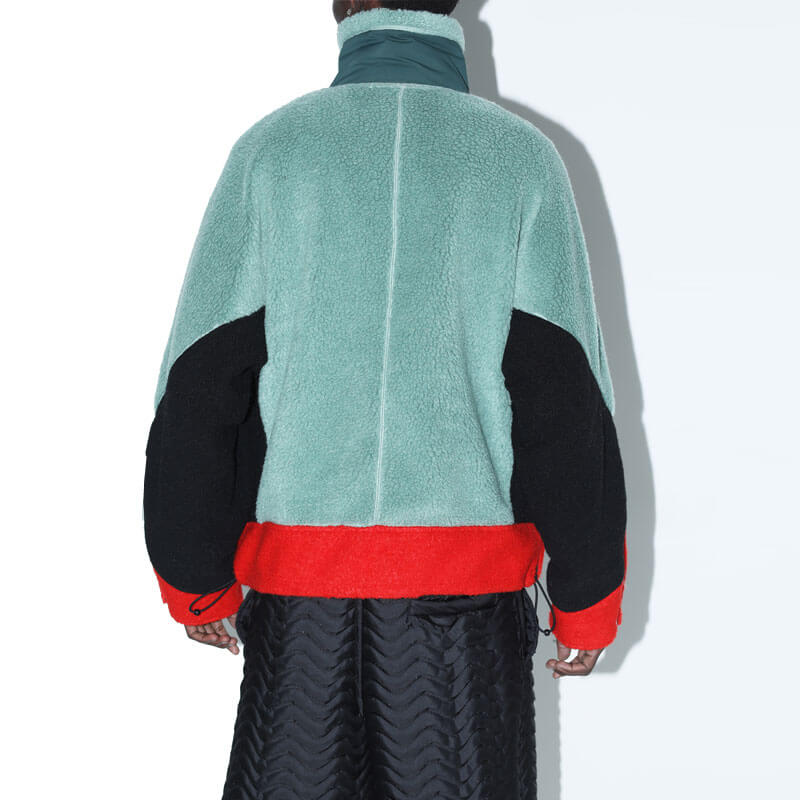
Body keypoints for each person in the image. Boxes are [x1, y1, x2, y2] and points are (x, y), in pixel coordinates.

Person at [141, 2, 628, 798]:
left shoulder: (274, 152)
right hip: (462, 617)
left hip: (301, 609)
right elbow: (564, 396)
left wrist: (193, 573)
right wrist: (588, 594)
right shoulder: (518, 160)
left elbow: (201, 381)